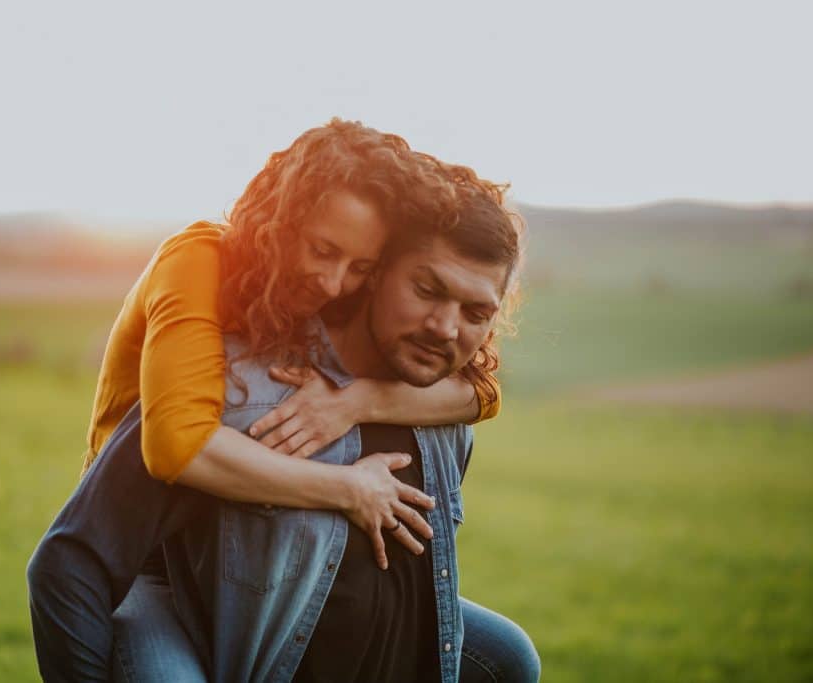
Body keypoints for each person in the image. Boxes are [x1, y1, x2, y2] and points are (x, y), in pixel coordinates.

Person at [27, 120, 502, 681]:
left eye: (360, 267)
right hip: (150, 545)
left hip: (231, 537)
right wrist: (347, 487)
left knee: (508, 658)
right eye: (323, 250)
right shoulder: (200, 265)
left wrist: (355, 402)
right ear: (279, 219)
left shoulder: (314, 319)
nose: (333, 283)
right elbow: (176, 448)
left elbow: (481, 392)